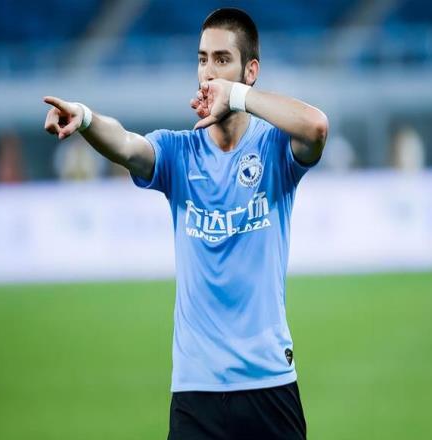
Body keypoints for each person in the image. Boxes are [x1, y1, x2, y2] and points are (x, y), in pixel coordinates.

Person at [43, 8, 328, 440]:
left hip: (269, 381)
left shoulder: (273, 149)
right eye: (202, 59)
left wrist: (236, 97)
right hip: (197, 391)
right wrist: (83, 117)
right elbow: (126, 145)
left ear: (250, 71)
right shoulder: (180, 153)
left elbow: (316, 126)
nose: (208, 72)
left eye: (222, 60)